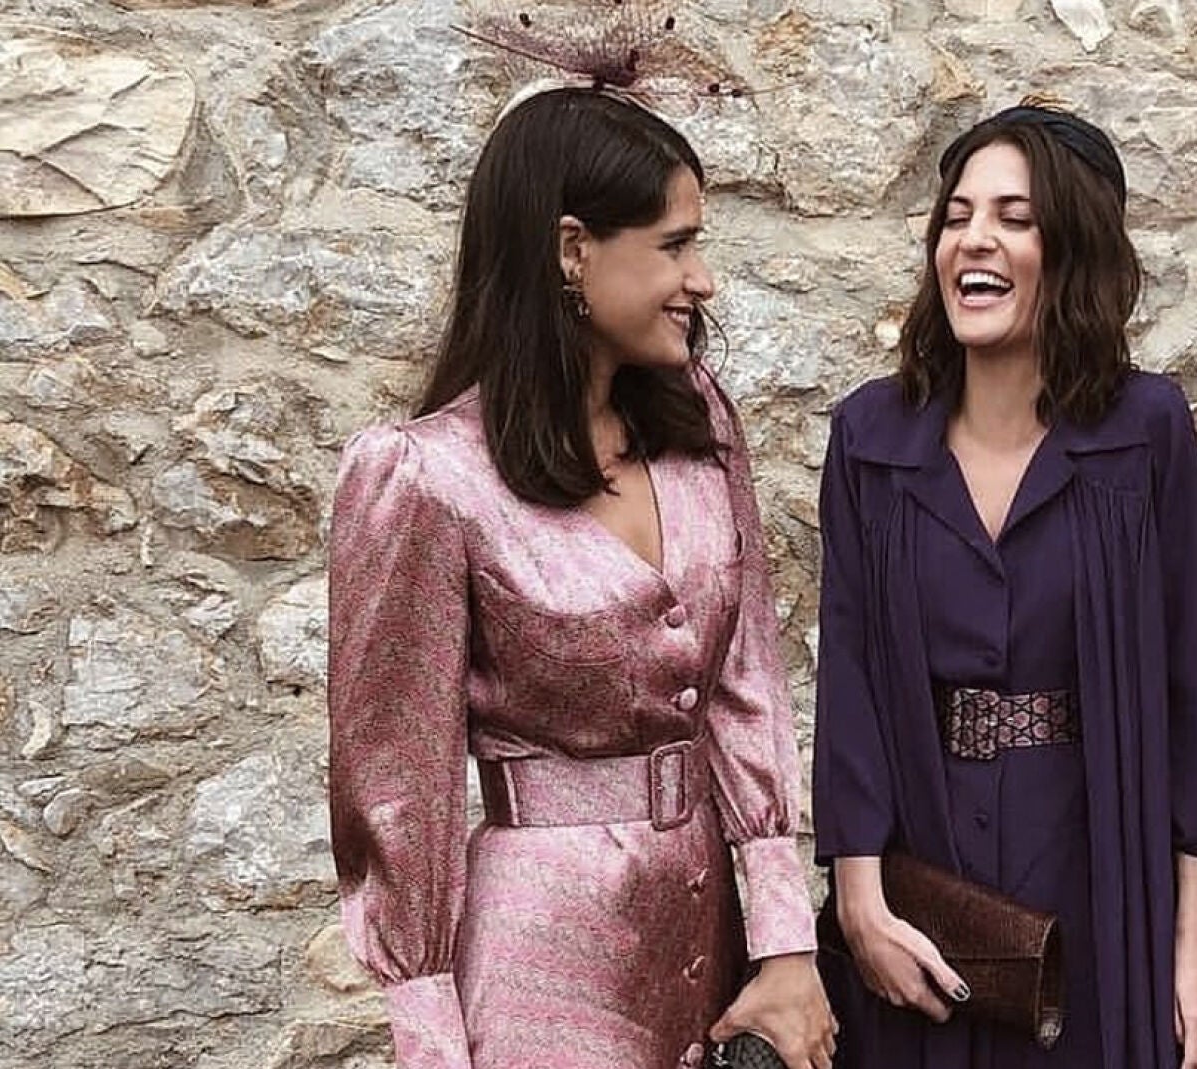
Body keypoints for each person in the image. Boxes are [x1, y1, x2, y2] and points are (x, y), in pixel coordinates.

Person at [326, 83, 835, 1069]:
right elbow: (396, 781)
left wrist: (783, 940)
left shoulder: (699, 425)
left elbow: (745, 684)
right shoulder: (425, 476)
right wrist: (431, 1041)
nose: (702, 279)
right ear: (573, 250)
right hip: (544, 959)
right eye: (675, 245)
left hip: (709, 937)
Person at [812, 103, 1197, 1069]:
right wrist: (859, 895)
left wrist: (1196, 924)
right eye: (957, 216)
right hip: (924, 871)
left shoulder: (1146, 431)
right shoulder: (871, 439)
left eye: (1015, 217)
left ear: (1073, 248)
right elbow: (849, 677)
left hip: (1099, 860)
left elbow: (1191, 682)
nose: (974, 239)